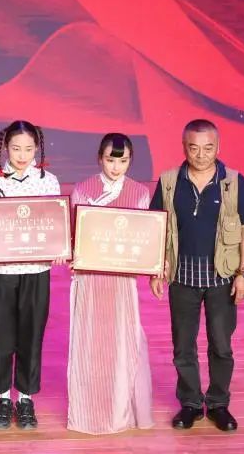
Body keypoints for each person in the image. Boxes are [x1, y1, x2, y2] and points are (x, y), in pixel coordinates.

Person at [149, 119, 244, 432]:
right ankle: (191, 404)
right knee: (183, 346)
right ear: (184, 147)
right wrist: (156, 269)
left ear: (218, 147)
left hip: (222, 278)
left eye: (208, 148)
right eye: (194, 148)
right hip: (182, 278)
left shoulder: (234, 182)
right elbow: (157, 226)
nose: (201, 155)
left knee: (221, 345)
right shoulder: (169, 181)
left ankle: (219, 404)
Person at [0, 120, 63, 430]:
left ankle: (25, 398)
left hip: (36, 271)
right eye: (15, 149)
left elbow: (55, 222)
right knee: (0, 334)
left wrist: (59, 246)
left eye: (28, 149)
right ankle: (2, 398)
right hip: (1, 270)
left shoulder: (48, 181)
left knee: (31, 334)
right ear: (5, 148)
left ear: (37, 148)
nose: (22, 155)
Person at [66, 133, 154, 434]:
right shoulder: (83, 190)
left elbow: (144, 239)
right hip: (90, 278)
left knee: (123, 339)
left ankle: (119, 410)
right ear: (99, 159)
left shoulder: (139, 193)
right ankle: (87, 410)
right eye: (110, 160)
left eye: (123, 161)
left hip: (121, 280)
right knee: (90, 342)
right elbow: (75, 236)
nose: (116, 167)